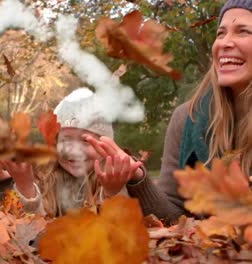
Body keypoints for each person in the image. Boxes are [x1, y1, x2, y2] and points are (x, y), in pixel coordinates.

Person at [94, 0, 252, 224]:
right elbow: (175, 214)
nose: (225, 43)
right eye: (221, 33)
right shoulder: (187, 119)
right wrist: (137, 177)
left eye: (243, 31)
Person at [0, 88, 144, 216]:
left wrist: (112, 192)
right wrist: (25, 185)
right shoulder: (46, 178)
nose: (74, 151)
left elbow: (116, 230)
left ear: (105, 144)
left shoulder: (114, 175)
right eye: (66, 140)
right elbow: (32, 231)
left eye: (86, 140)